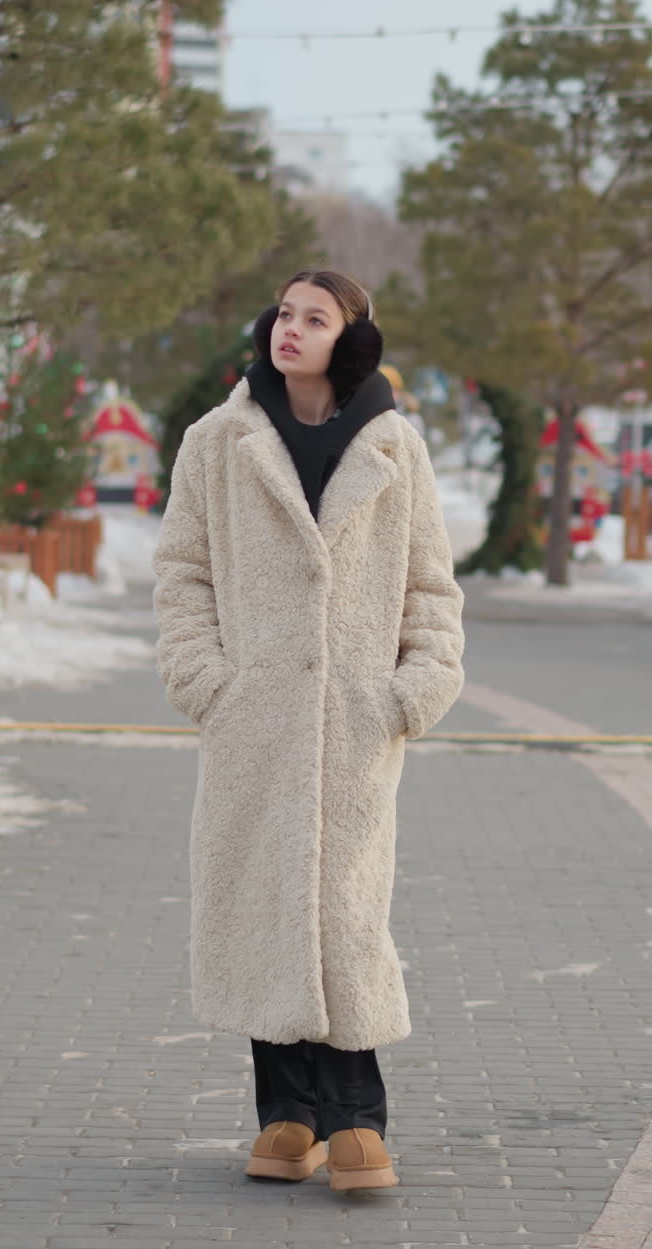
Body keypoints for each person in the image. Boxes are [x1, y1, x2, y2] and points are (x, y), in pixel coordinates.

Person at [152, 268, 465, 1192]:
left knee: (345, 908)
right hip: (255, 722)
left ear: (350, 337)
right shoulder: (217, 441)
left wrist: (416, 688)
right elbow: (182, 573)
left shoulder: (395, 449)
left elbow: (430, 586)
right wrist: (210, 682)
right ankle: (286, 1115)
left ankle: (355, 1117)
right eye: (284, 313)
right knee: (262, 904)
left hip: (357, 724)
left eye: (314, 318)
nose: (291, 329)